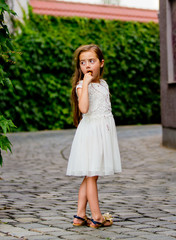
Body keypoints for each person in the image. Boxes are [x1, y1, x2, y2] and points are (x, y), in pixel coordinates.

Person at [66, 44, 122, 228]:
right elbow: (84, 109)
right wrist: (86, 84)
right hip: (91, 134)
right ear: (79, 67)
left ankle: (80, 215)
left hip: (102, 133)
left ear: (101, 63)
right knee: (91, 175)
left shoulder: (103, 84)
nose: (87, 65)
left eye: (92, 61)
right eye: (83, 62)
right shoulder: (82, 86)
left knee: (91, 175)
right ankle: (97, 216)